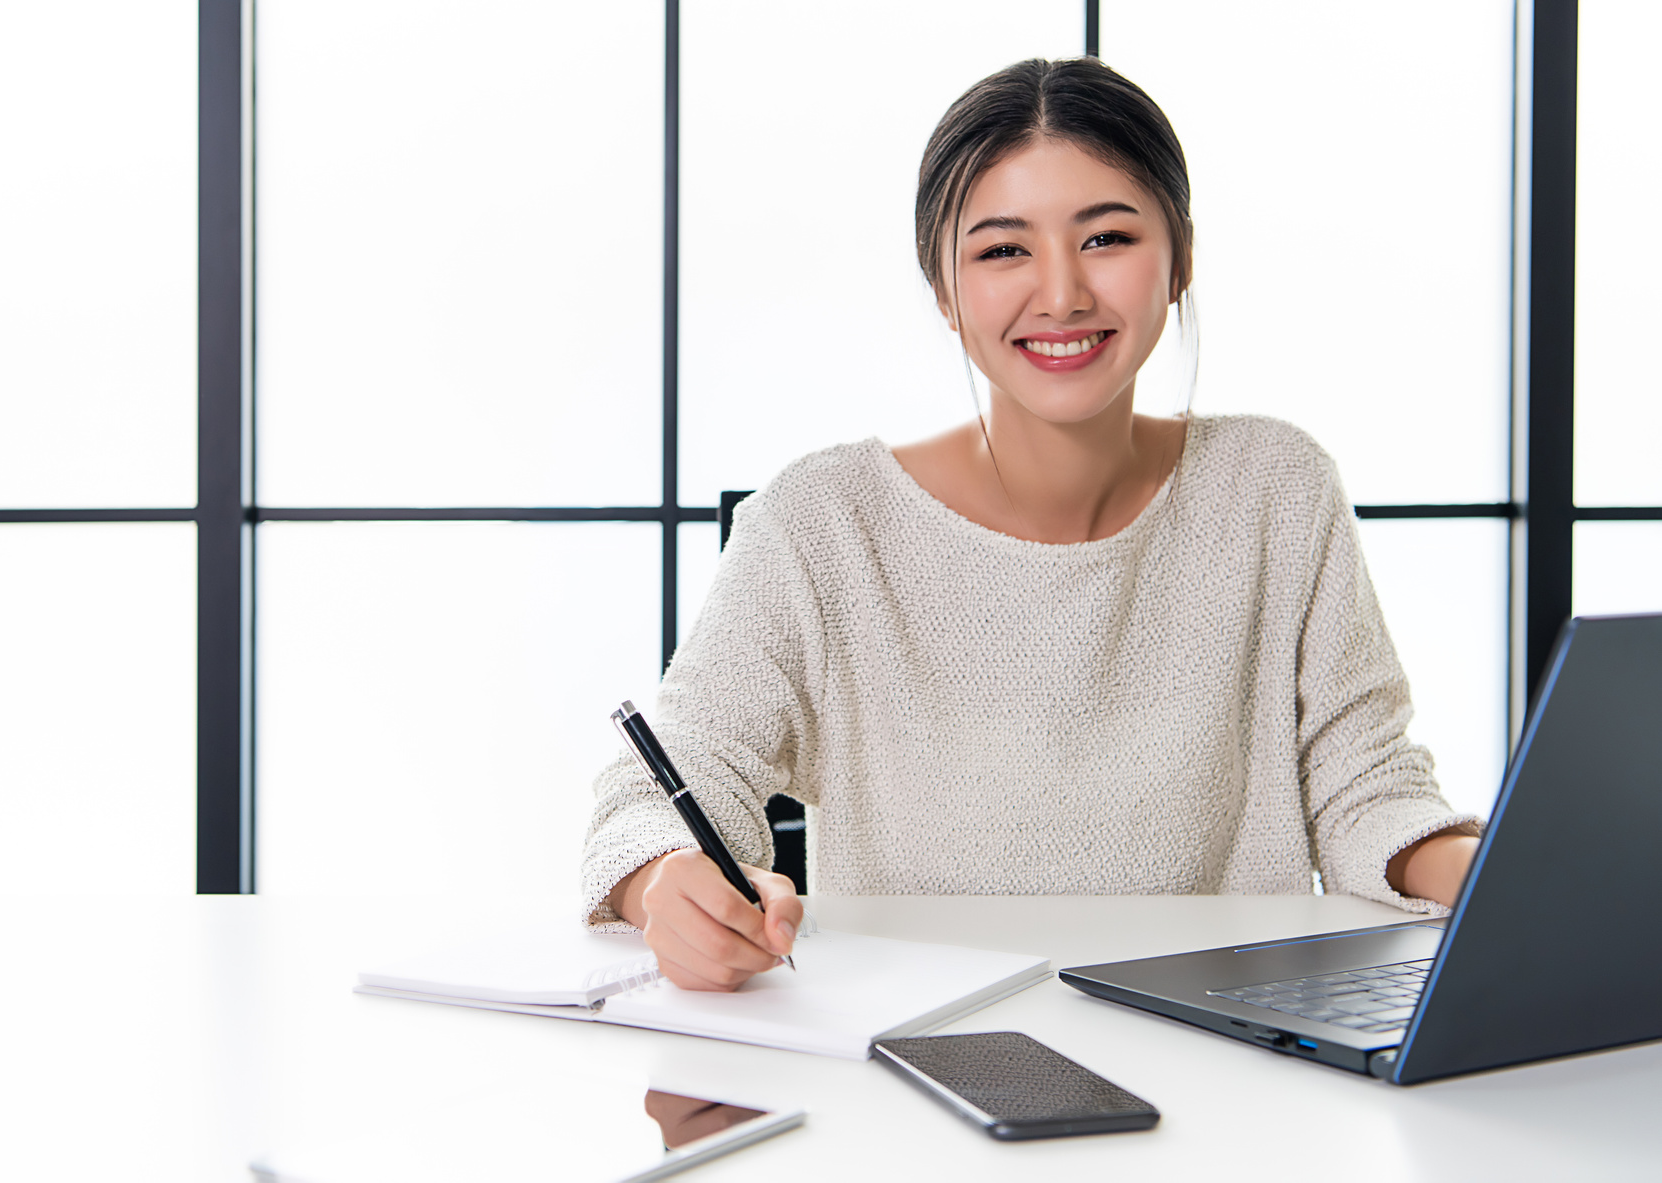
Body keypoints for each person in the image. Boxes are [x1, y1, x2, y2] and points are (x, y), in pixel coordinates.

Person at [581, 58, 1481, 992]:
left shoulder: (1276, 487)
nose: (1061, 295)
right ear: (943, 286)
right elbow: (660, 789)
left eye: (1108, 237)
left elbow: (1367, 789)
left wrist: (1498, 870)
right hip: (925, 1051)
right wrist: (667, 889)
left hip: (1229, 1041)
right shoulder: (824, 522)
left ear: (1178, 262)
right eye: (1003, 249)